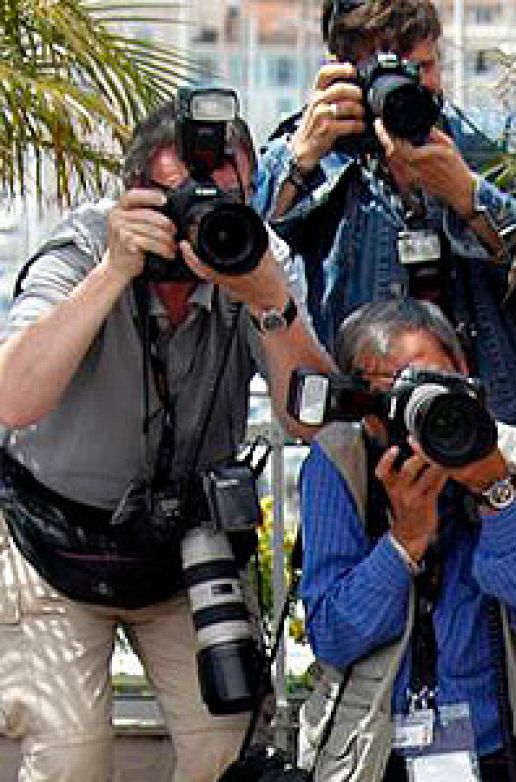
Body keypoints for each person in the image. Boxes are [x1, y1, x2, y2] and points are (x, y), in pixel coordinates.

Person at [0, 96, 331, 781]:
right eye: (178, 202)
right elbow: (12, 398)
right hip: (52, 543)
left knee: (224, 745)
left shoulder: (258, 258)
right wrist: (114, 271)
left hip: (184, 551)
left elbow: (310, 418)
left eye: (222, 200)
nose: (199, 222)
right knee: (69, 760)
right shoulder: (86, 248)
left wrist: (269, 299)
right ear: (133, 200)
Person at [296, 298, 516, 782]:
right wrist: (402, 544)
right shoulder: (341, 460)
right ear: (366, 410)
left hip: (502, 749)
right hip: (375, 751)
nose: (422, 413)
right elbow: (333, 637)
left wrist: (496, 493)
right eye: (398, 396)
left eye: (433, 386)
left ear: (465, 374)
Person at [254, 0, 516, 437]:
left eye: (424, 67)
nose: (411, 88)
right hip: (366, 431)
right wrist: (299, 162)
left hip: (496, 425)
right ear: (346, 74)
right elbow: (249, 263)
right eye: (388, 73)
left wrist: (467, 197)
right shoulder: (318, 148)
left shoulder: (495, 146)